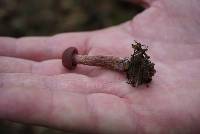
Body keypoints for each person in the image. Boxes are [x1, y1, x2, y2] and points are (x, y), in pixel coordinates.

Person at [0, 0, 200, 133]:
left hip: (128, 65)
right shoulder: (80, 59)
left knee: (113, 62)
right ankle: (130, 66)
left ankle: (131, 66)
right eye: (75, 59)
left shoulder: (82, 58)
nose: (76, 59)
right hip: (123, 65)